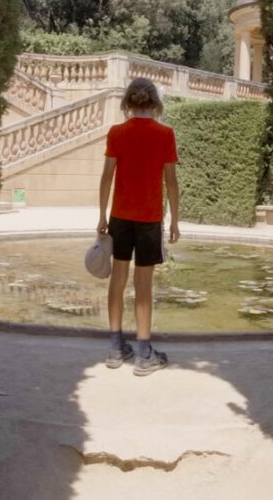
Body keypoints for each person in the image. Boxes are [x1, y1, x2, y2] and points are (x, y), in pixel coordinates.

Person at [97, 77, 180, 376]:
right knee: (143, 285)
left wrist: (102, 215)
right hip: (149, 219)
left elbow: (107, 176)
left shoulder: (117, 132)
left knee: (117, 281)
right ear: (155, 103)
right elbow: (171, 181)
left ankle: (115, 349)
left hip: (120, 216)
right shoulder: (165, 134)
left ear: (128, 103)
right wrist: (175, 220)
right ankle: (144, 353)